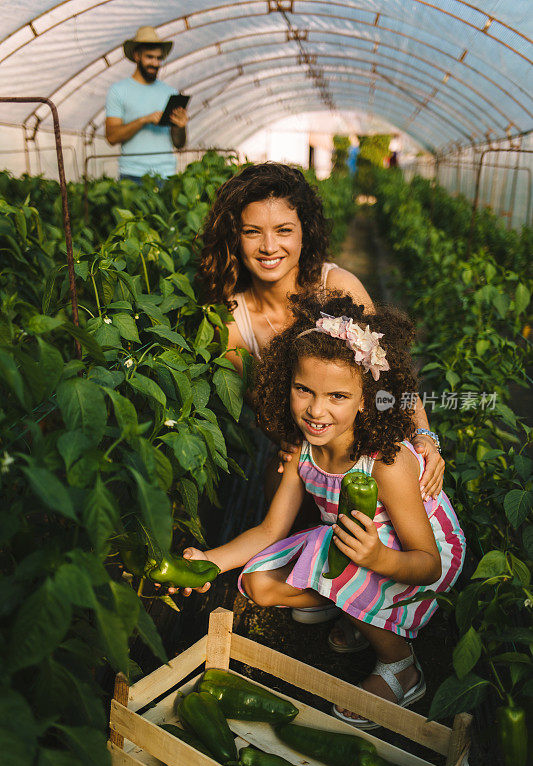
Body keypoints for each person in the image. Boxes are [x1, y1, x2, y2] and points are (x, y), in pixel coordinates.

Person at [181, 293, 465, 727]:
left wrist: (378, 559)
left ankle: (402, 667)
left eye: (337, 396)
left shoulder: (386, 462)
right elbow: (270, 530)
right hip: (356, 543)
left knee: (334, 552)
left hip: (418, 555)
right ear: (286, 383)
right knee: (259, 584)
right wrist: (209, 562)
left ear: (366, 399)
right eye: (303, 390)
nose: (316, 410)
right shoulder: (303, 453)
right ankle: (351, 606)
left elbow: (427, 563)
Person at [197, 163, 445, 534]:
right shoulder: (232, 322)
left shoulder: (337, 286)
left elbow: (390, 378)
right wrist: (290, 444)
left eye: (284, 231)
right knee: (280, 482)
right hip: (308, 443)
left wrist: (425, 436)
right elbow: (264, 411)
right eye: (252, 232)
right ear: (235, 237)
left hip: (369, 440)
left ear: (304, 234)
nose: (268, 247)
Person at [105, 26, 187, 182]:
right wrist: (143, 120)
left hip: (166, 174)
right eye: (150, 57)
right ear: (137, 56)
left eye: (158, 58)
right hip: (132, 174)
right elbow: (112, 137)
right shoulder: (118, 90)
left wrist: (180, 126)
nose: (155, 63)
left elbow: (179, 144)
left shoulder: (170, 93)